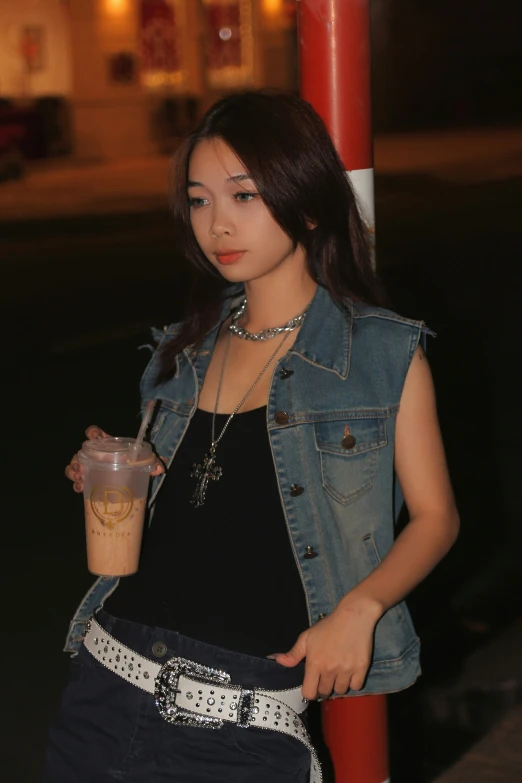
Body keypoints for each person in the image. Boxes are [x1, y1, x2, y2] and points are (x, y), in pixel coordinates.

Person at [44, 90, 459, 783]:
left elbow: (437, 516)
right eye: (200, 200)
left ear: (306, 201)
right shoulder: (183, 352)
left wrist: (361, 607)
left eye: (242, 195)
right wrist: (120, 472)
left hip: (239, 728)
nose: (217, 225)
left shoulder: (382, 355)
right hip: (104, 689)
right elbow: (195, 508)